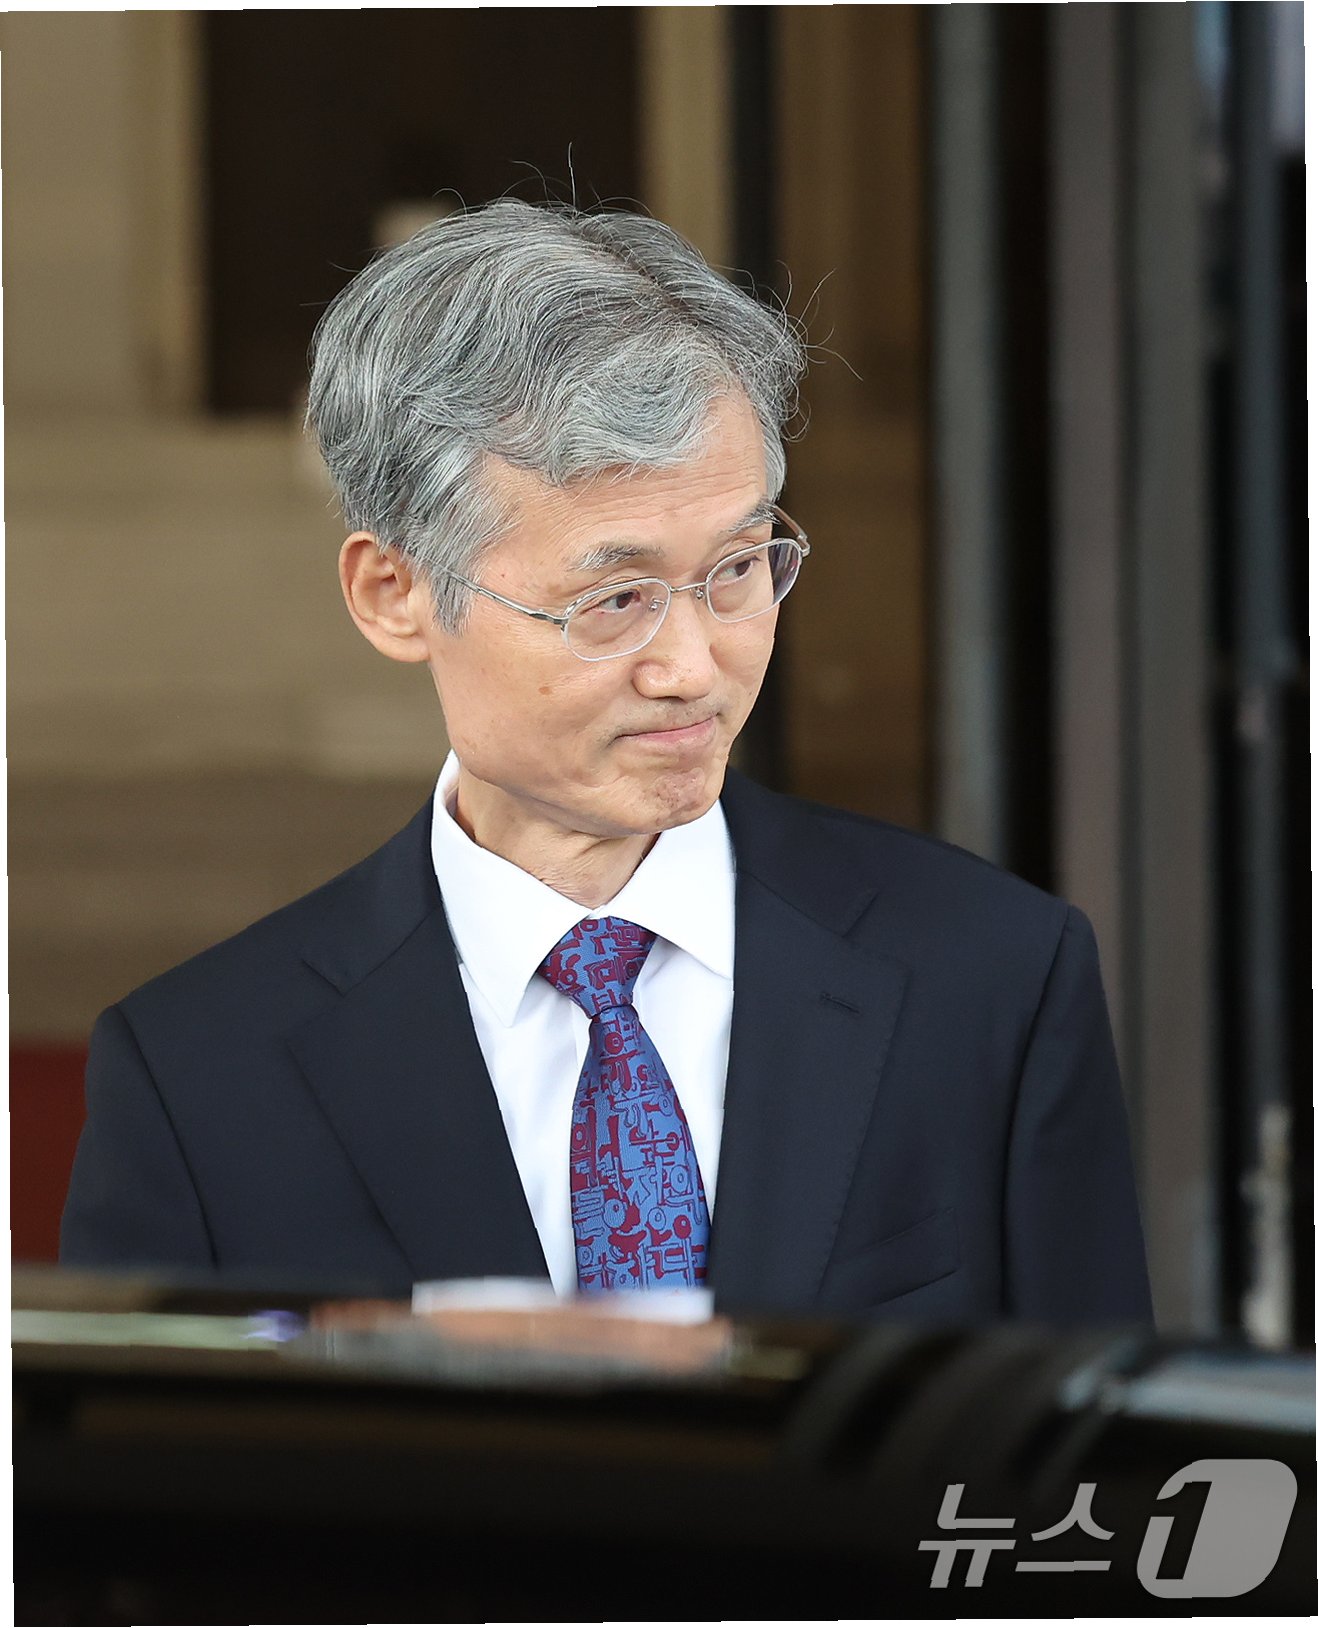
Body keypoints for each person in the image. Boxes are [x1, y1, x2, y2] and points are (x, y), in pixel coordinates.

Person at [60, 199, 1152, 1324]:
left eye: (738, 568)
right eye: (615, 598)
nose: (693, 666)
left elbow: (1081, 1424)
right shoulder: (200, 1077)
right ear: (393, 592)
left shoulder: (991, 977)